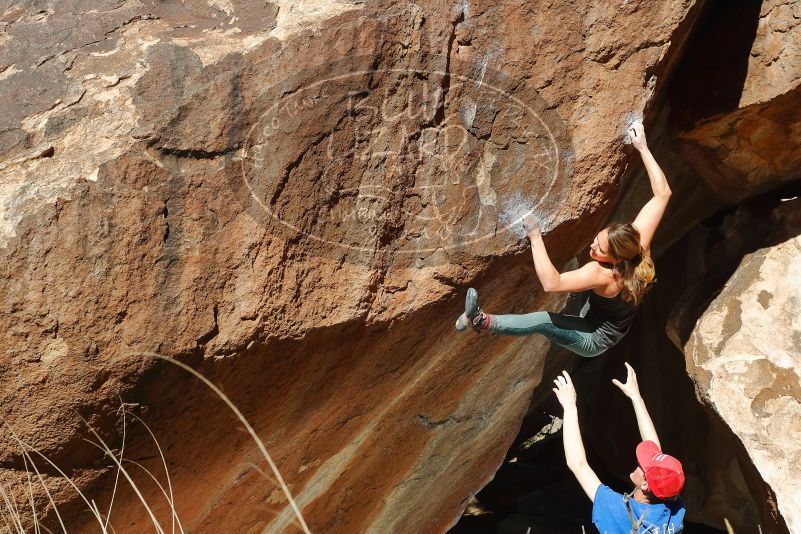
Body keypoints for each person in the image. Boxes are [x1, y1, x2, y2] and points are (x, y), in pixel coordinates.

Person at [455, 122, 671, 358]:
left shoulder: (603, 274)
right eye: (597, 239)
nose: (592, 246)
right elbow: (663, 194)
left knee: (543, 321)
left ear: (616, 259)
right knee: (579, 289)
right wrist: (643, 147)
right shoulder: (638, 247)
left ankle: (478, 320)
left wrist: (535, 236)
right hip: (604, 314)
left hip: (592, 337)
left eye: (599, 249)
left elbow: (552, 284)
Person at [552, 363, 685, 533]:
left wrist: (569, 406)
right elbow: (655, 450)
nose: (638, 461)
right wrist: (636, 398)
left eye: (641, 465)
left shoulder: (620, 513)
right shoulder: (672, 507)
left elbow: (577, 464)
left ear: (645, 484)